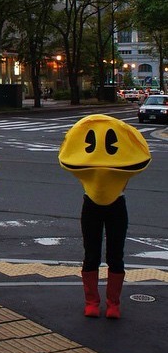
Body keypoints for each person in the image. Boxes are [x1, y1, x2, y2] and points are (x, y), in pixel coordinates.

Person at [59, 114, 151, 319]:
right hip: (91, 205)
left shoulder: (122, 162)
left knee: (115, 255)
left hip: (116, 205)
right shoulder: (87, 163)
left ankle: (113, 304)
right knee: (91, 254)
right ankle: (91, 302)